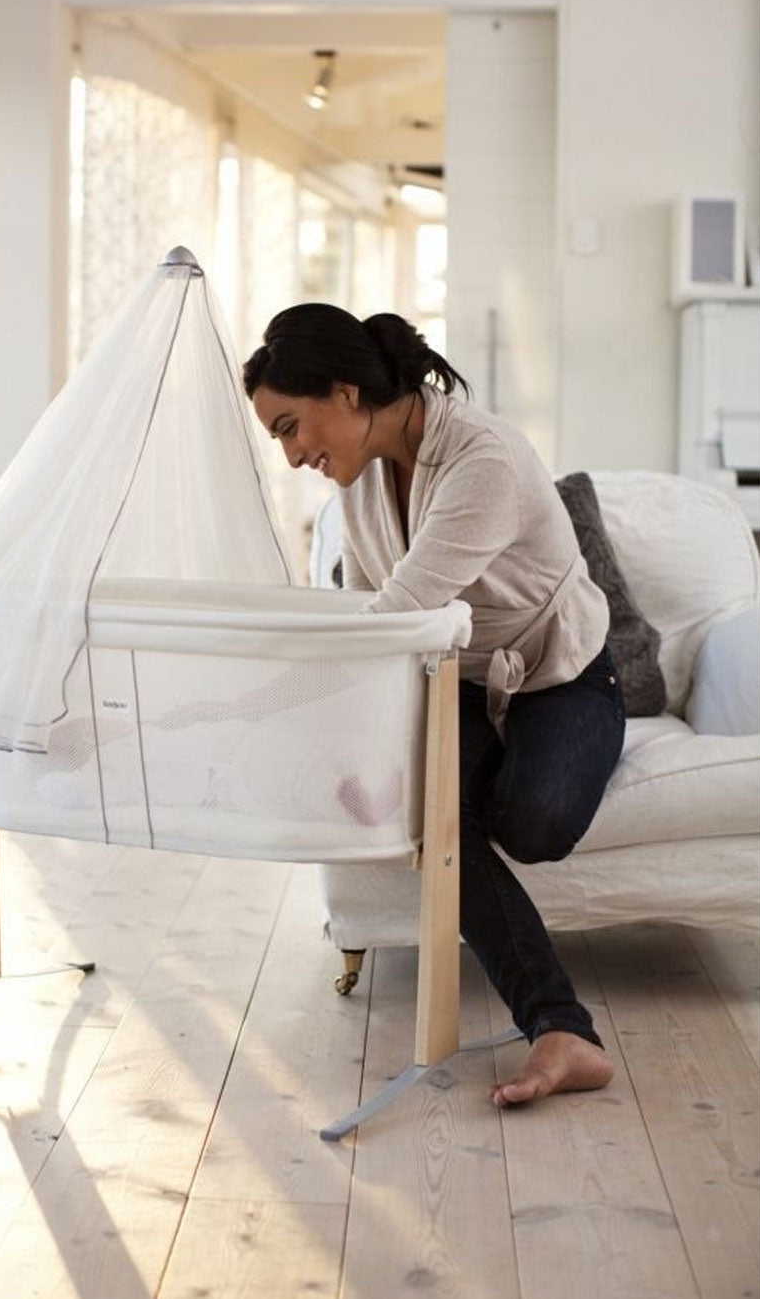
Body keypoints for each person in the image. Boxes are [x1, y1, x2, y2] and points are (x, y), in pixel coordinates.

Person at [243, 303, 625, 1108]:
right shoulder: (358, 488)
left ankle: (470, 806)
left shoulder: (483, 459)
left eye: (289, 426)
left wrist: (258, 696)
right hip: (460, 684)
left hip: (560, 676)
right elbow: (367, 613)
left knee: (533, 822)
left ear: (345, 393)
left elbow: (395, 618)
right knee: (426, 808)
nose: (290, 454)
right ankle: (561, 1028)